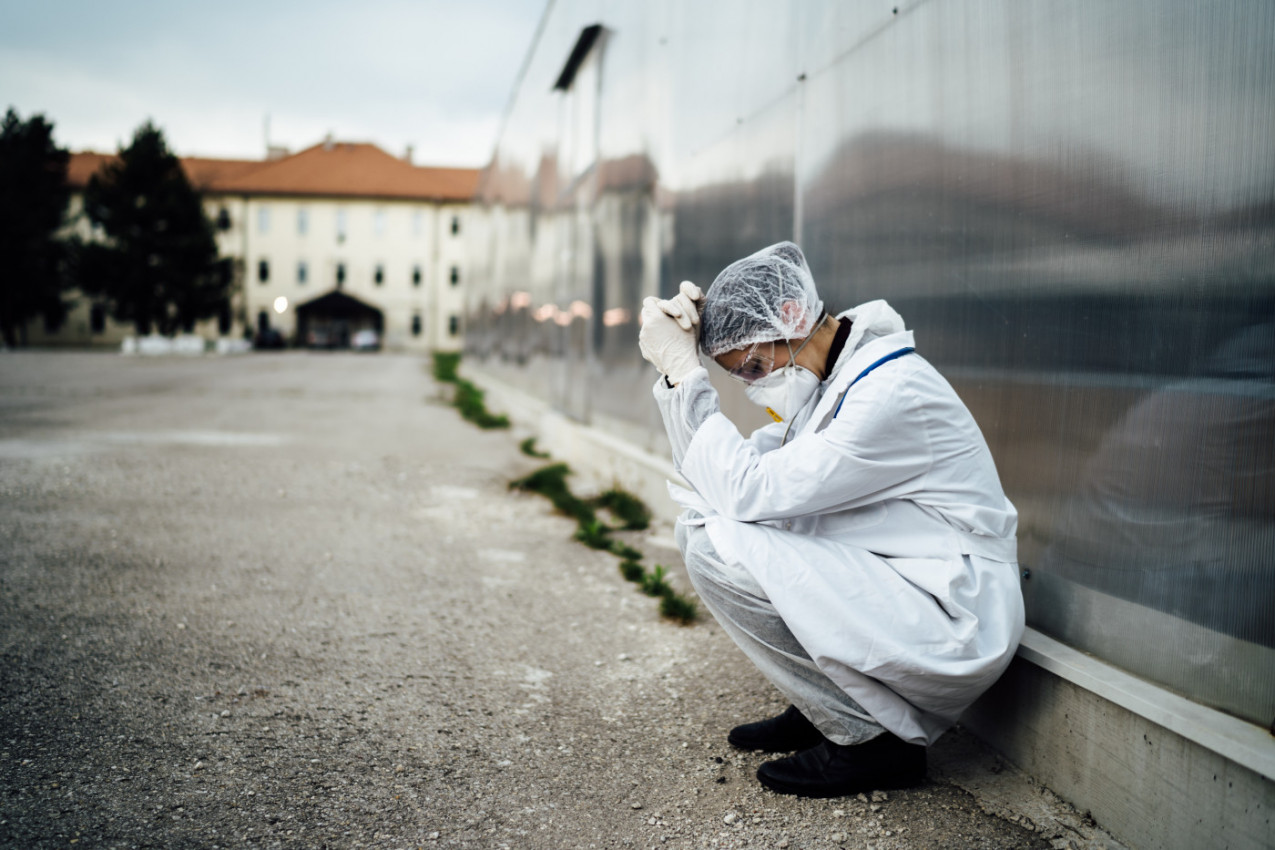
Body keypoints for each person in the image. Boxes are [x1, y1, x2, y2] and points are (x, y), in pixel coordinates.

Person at [638, 242, 1024, 798]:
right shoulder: (837, 385)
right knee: (719, 526)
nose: (753, 385)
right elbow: (719, 481)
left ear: (793, 317)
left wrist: (683, 370)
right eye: (740, 376)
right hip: (910, 583)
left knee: (715, 543)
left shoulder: (890, 392)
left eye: (752, 366)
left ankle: (871, 739)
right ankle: (828, 703)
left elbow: (746, 490)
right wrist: (680, 376)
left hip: (954, 613)